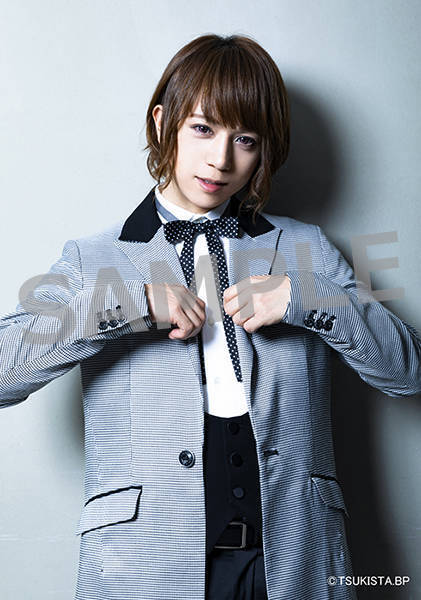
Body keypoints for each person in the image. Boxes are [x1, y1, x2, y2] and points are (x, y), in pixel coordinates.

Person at [0, 33, 420, 600]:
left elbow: (406, 371)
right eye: (202, 129)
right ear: (163, 123)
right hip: (145, 560)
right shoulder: (92, 258)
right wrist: (130, 303)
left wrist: (306, 300)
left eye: (244, 139)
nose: (221, 160)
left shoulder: (307, 249)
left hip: (295, 555)